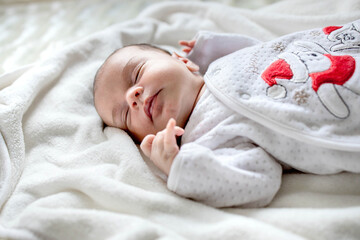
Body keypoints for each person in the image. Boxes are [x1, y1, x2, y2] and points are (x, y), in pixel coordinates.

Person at [93, 19, 360, 208]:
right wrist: (179, 167)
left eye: (137, 74)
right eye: (125, 115)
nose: (133, 97)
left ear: (182, 61)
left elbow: (265, 50)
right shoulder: (205, 140)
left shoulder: (221, 66)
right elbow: (259, 180)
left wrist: (210, 49)